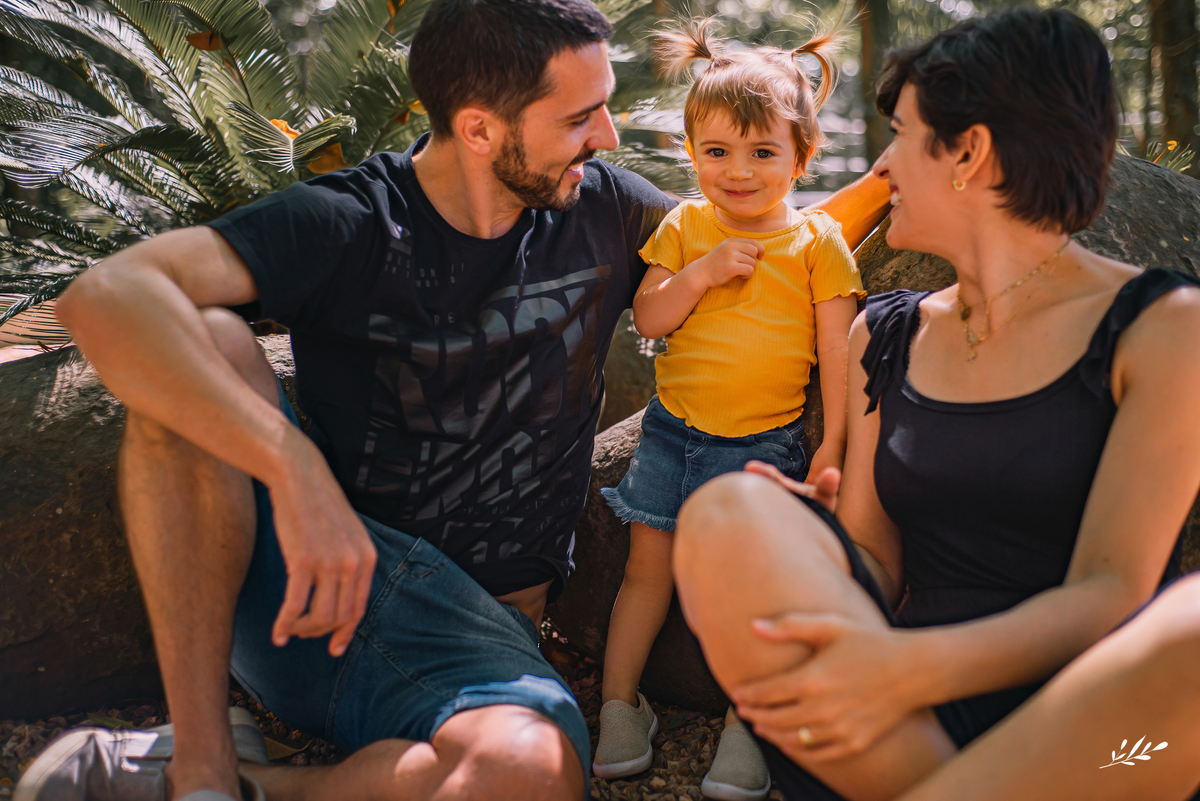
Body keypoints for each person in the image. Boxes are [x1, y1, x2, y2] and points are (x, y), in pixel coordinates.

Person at [15, 0, 891, 799]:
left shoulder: (606, 207)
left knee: (533, 769)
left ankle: (240, 786)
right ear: (479, 128)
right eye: (581, 115)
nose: (609, 133)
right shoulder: (351, 219)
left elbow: (767, 226)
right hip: (316, 590)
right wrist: (294, 471)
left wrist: (899, 179)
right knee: (206, 336)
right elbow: (108, 296)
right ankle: (202, 765)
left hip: (470, 648)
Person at [671, 8, 1200, 801]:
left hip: (1103, 736)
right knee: (729, 513)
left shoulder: (1163, 327)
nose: (882, 164)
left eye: (901, 134)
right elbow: (875, 565)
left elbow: (1109, 588)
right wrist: (809, 552)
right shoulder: (883, 336)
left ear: (969, 154)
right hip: (899, 715)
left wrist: (903, 666)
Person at [592, 19, 863, 801]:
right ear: (691, 153)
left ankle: (751, 722)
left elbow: (838, 355)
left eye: (762, 153)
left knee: (756, 591)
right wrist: (703, 272)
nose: (737, 172)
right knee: (648, 573)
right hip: (673, 436)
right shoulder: (686, 227)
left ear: (801, 157)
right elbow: (649, 318)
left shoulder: (816, 243)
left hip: (762, 450)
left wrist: (834, 443)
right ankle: (618, 708)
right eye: (716, 153)